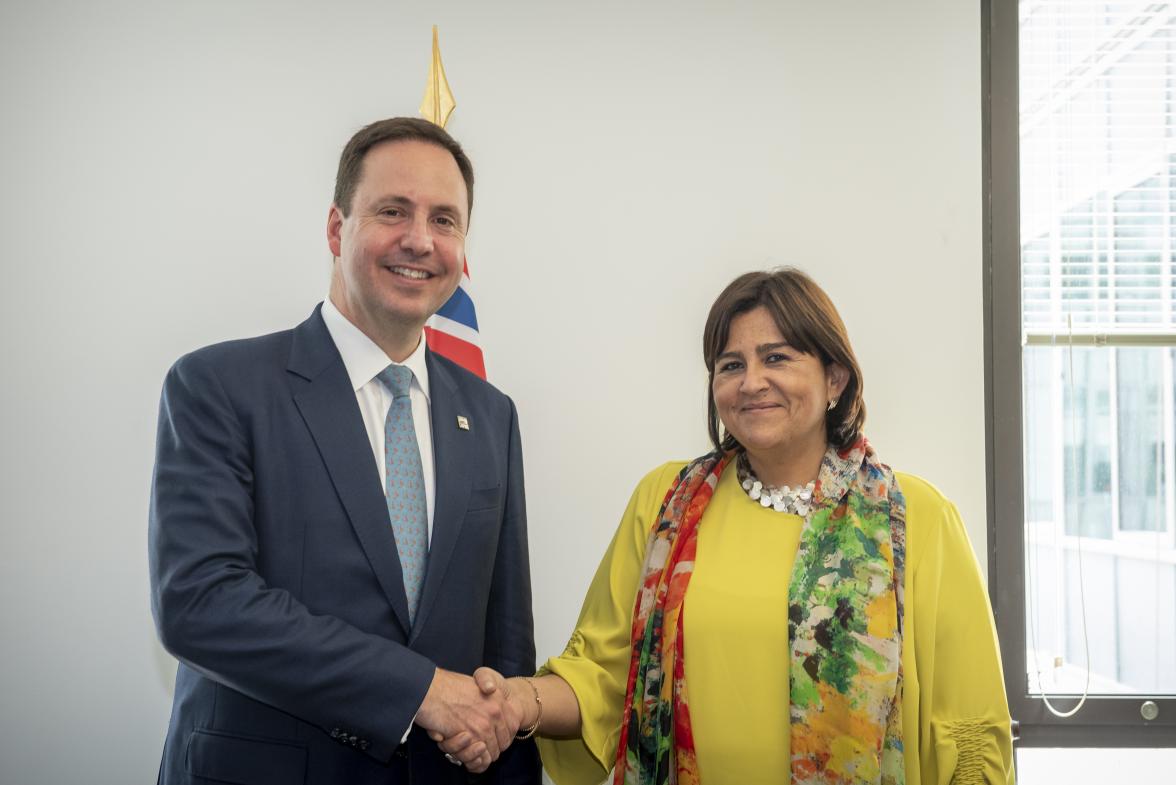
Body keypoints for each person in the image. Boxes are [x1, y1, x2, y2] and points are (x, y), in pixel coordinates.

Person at [444, 268, 1015, 784]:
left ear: (835, 378)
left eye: (778, 357)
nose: (751, 382)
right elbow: (602, 675)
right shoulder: (665, 503)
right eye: (731, 365)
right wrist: (517, 701)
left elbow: (968, 728)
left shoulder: (916, 518)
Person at [149, 117, 539, 784]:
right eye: (394, 211)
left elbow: (504, 651)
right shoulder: (218, 385)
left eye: (445, 220)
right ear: (337, 228)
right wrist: (419, 689)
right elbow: (201, 602)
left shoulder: (491, 414)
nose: (420, 239)